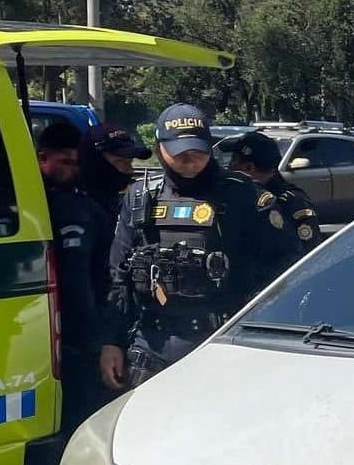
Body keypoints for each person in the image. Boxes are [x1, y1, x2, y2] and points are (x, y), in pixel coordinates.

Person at [101, 104, 298, 391]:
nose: (191, 160)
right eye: (180, 152)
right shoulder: (141, 197)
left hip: (224, 344)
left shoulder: (245, 196)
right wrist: (112, 341)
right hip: (153, 345)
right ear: (159, 148)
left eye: (198, 151)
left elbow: (284, 272)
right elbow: (119, 277)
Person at [19, 119, 109, 465]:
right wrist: (93, 340)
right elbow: (76, 283)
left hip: (58, 335)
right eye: (66, 161)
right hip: (56, 335)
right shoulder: (48, 206)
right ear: (42, 158)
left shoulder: (73, 205)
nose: (73, 169)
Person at [227, 129, 322, 274]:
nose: (229, 167)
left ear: (248, 167)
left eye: (234, 161)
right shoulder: (242, 196)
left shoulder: (292, 201)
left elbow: (308, 257)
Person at [79, 125, 151, 222]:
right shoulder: (73, 212)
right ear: (95, 164)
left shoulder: (119, 203)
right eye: (122, 162)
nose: (131, 171)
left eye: (130, 163)